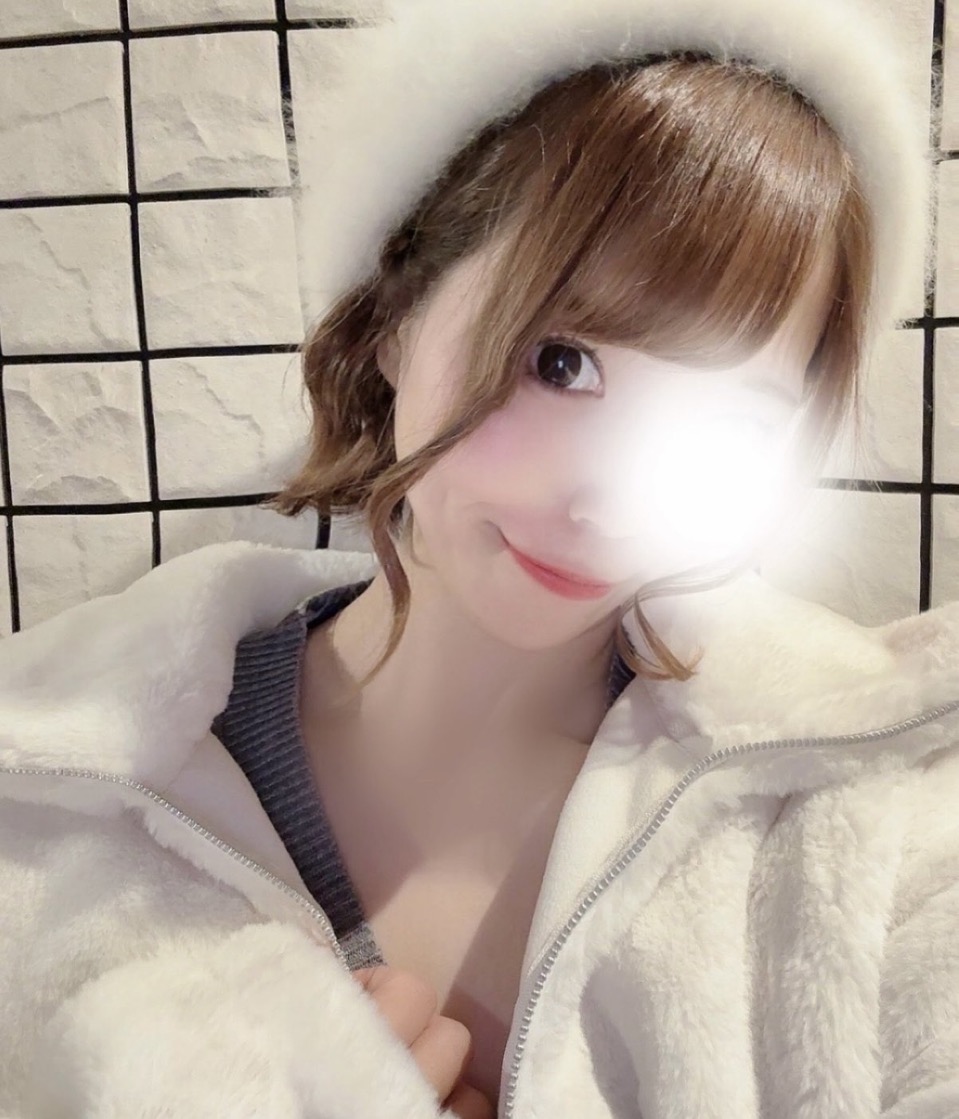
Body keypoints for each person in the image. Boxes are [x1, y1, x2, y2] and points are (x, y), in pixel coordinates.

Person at [1, 0, 956, 1116]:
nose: (610, 502)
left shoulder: (866, 812)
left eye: (729, 425)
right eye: (561, 363)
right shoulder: (51, 797)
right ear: (394, 317)